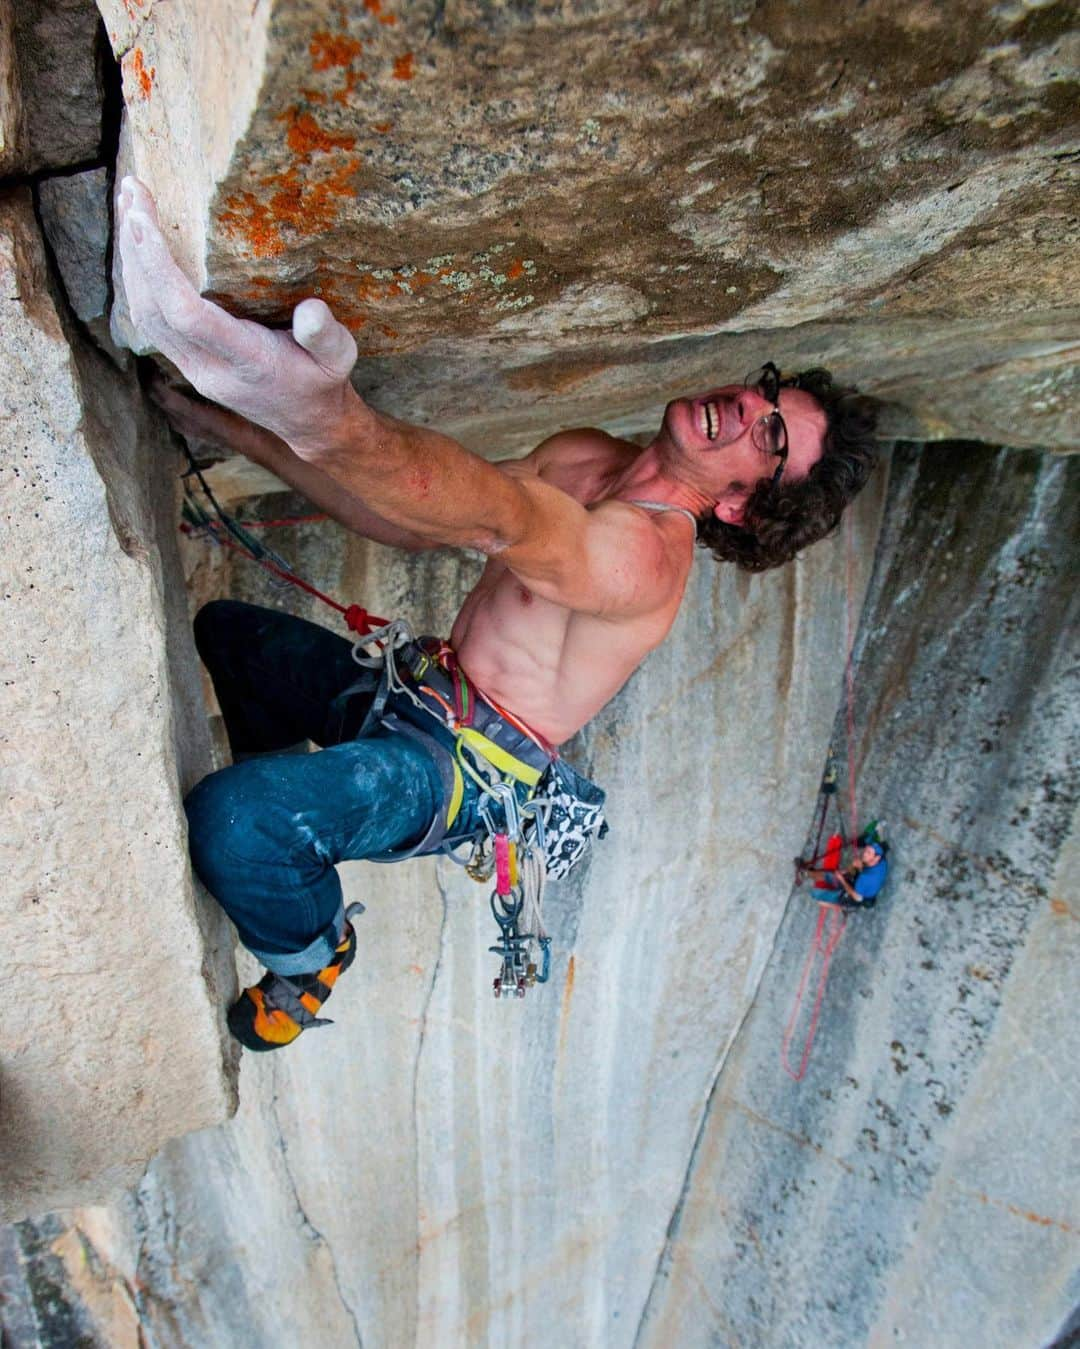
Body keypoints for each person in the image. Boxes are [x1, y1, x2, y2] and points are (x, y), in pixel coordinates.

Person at [116, 176, 879, 1051]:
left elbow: (494, 515)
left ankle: (314, 947)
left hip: (453, 773)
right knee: (231, 638)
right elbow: (409, 511)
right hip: (414, 698)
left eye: (771, 439)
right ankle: (298, 819)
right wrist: (233, 422)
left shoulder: (645, 559)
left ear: (741, 506)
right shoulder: (591, 459)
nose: (749, 406)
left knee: (234, 820)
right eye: (768, 396)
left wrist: (330, 417)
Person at [802, 840, 890, 910]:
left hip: (856, 896)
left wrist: (842, 880)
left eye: (869, 853)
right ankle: (806, 873)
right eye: (866, 850)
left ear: (876, 858)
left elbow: (857, 897)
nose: (864, 854)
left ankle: (844, 907)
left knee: (819, 896)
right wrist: (852, 869)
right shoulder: (882, 861)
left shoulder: (865, 879)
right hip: (862, 884)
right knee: (830, 876)